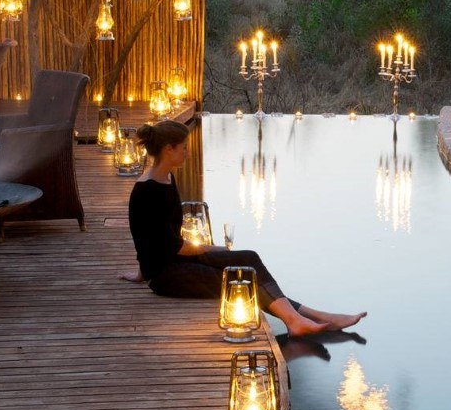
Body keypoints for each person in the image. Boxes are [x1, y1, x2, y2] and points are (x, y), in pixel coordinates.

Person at [123, 120, 365, 337]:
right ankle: (302, 319)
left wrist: (140, 272)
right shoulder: (147, 191)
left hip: (177, 261)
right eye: (184, 147)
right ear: (169, 149)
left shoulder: (166, 178)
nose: (187, 153)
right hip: (167, 276)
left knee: (249, 258)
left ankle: (309, 317)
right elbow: (166, 244)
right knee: (241, 278)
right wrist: (211, 249)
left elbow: (150, 236)